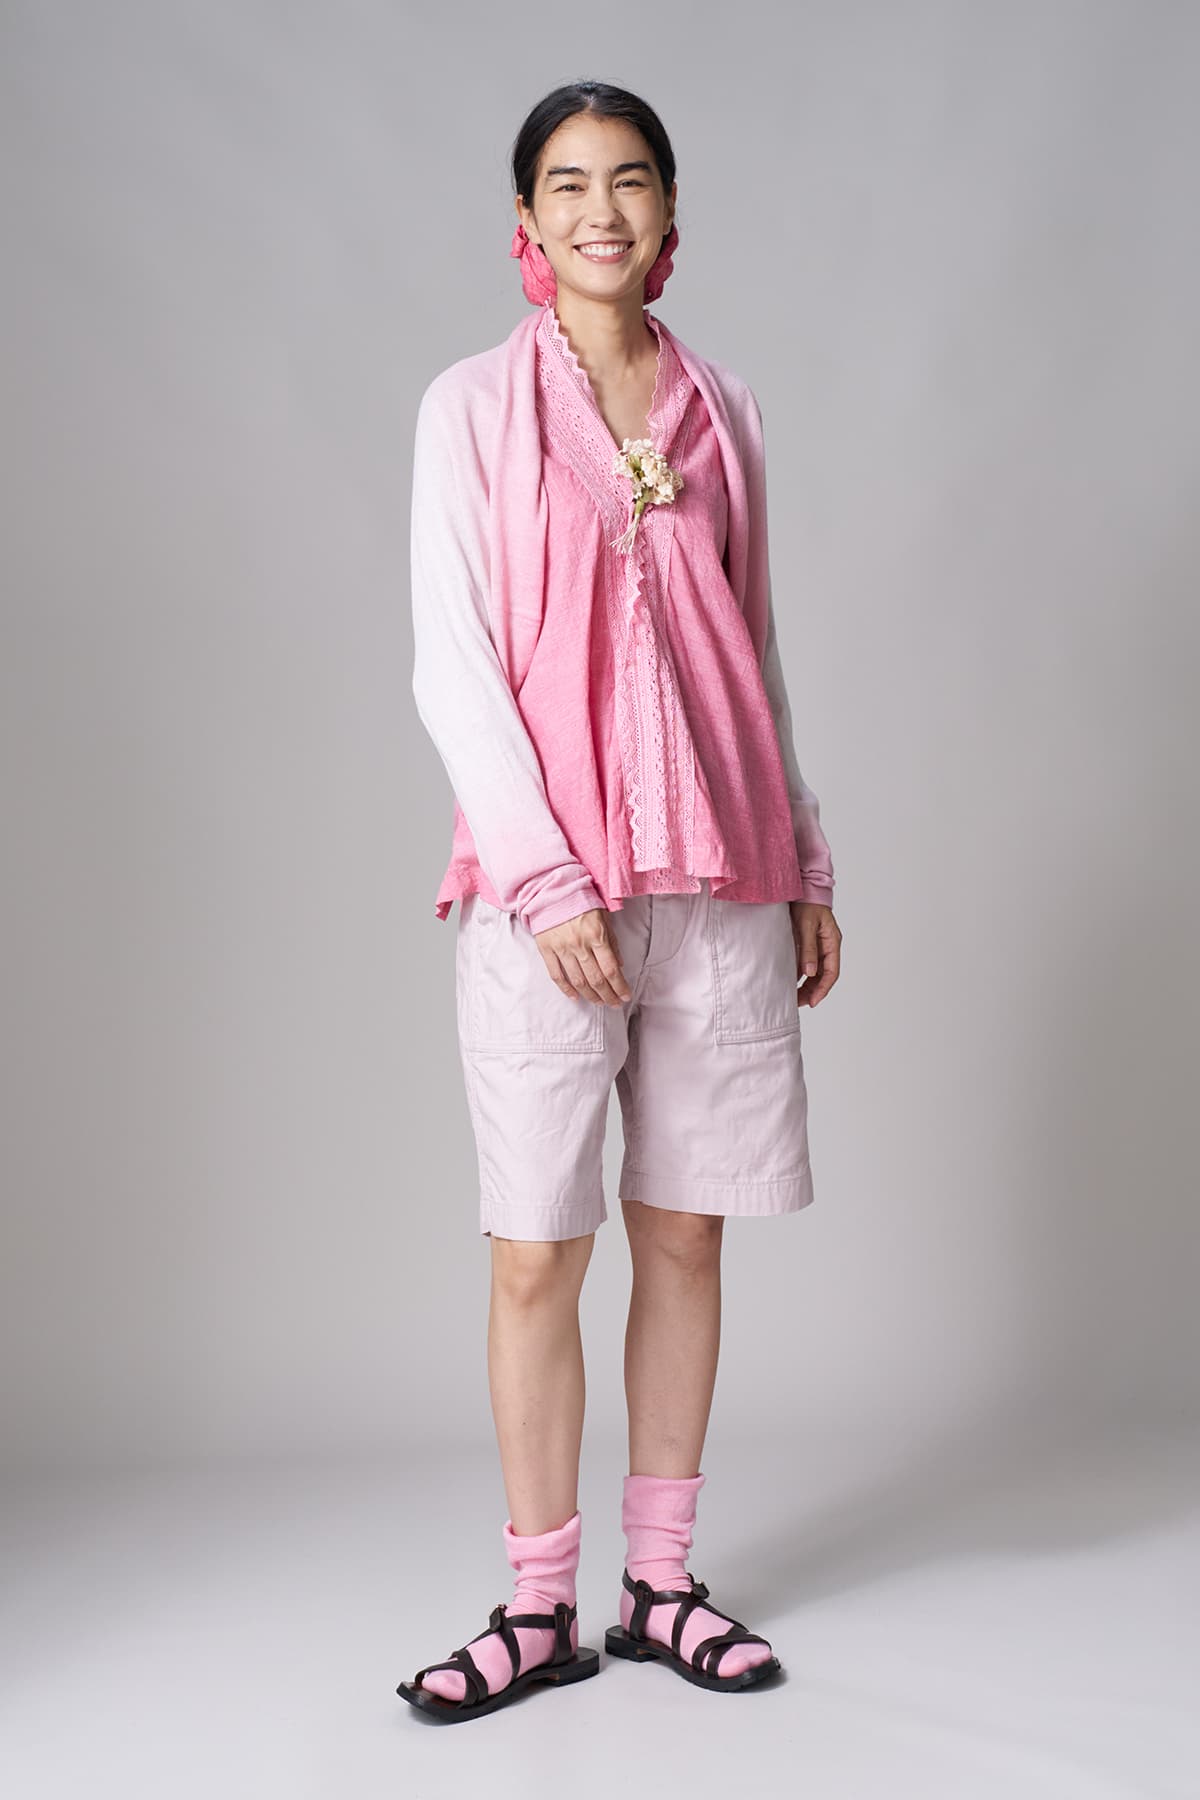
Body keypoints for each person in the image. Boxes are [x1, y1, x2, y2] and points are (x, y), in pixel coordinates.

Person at [397, 80, 842, 1724]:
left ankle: (661, 1588)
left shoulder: (727, 411)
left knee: (686, 1230)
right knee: (537, 1248)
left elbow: (754, 647)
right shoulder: (469, 409)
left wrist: (802, 857)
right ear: (526, 222)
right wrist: (544, 874)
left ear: (669, 219)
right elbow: (453, 663)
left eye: (632, 180)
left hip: (718, 871)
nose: (603, 209)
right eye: (570, 183)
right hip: (548, 893)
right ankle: (538, 1608)